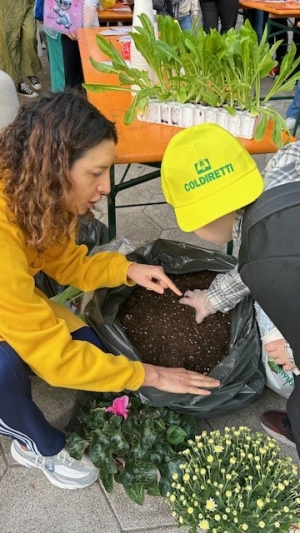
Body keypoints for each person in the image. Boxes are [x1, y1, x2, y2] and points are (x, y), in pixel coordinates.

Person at [0, 92, 220, 490]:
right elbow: (55, 358)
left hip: (9, 304)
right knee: (5, 372)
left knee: (91, 348)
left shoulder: (37, 194)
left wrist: (128, 269)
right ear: (53, 166)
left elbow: (67, 264)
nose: (105, 187)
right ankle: (37, 444)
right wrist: (150, 374)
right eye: (96, 173)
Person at [160, 123, 300, 459]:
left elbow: (262, 264)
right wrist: (210, 299)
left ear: (202, 221)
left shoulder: (266, 264)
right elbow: (254, 261)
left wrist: (292, 353)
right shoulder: (288, 160)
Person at [0, 0, 42, 97]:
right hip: (7, 6)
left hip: (27, 3)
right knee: (12, 42)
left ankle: (30, 71)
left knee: (30, 37)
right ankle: (19, 82)